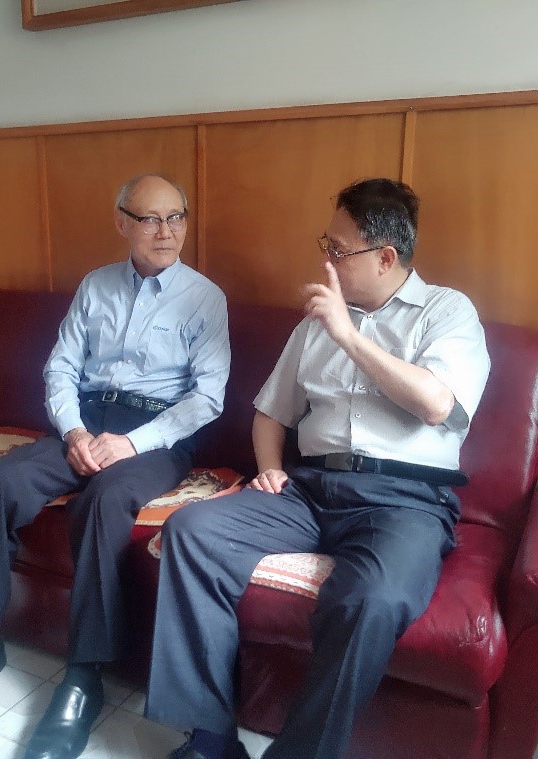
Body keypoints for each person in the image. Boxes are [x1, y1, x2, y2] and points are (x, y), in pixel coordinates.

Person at [143, 178, 491, 759]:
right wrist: (269, 468)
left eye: (339, 250)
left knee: (373, 597)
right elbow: (269, 412)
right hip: (309, 489)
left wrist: (348, 336)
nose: (326, 260)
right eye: (325, 245)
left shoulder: (446, 311)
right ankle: (210, 738)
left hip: (405, 499)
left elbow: (436, 404)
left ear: (386, 257)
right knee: (191, 532)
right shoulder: (314, 325)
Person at [0, 174, 231, 759]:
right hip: (85, 422)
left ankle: (83, 675)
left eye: (176, 217)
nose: (166, 231)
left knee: (103, 500)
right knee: (0, 480)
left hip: (157, 436)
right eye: (150, 218)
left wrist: (132, 444)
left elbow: (207, 398)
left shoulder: (204, 298)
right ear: (121, 222)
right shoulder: (96, 286)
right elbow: (62, 368)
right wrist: (73, 432)